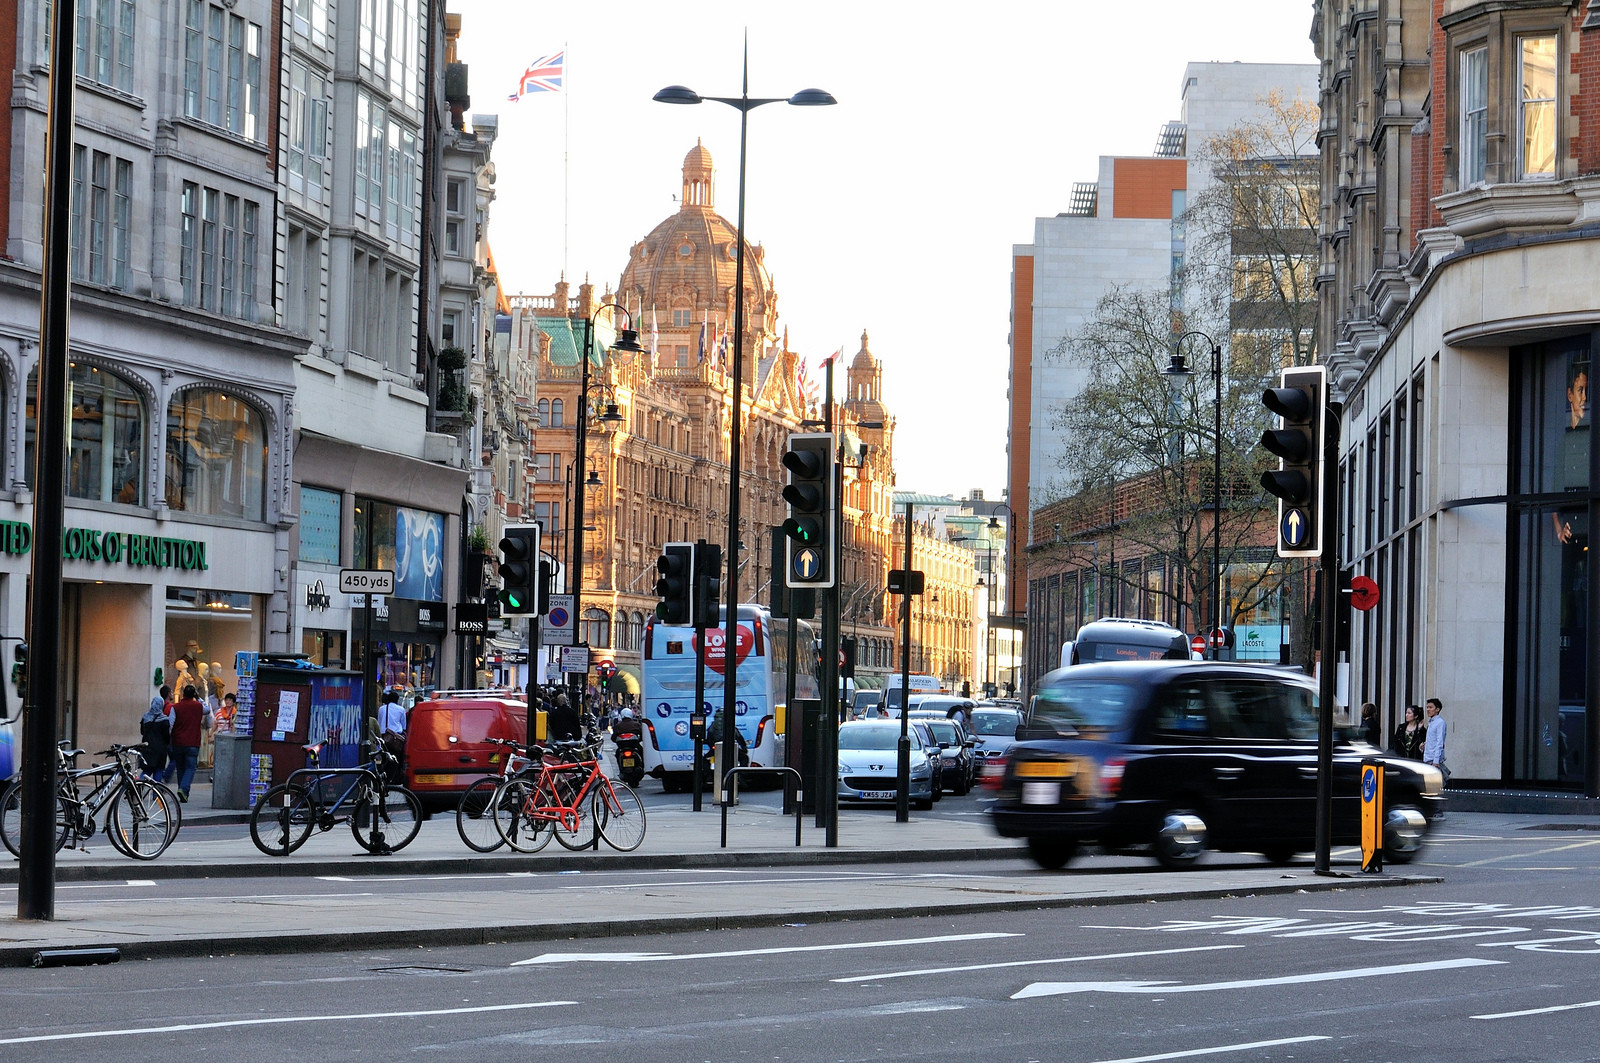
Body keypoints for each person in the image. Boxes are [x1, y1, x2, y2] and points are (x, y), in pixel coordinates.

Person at [167, 684, 207, 802]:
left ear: (183, 694)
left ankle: (183, 791)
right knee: (190, 768)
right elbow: (207, 709)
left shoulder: (176, 707)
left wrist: (168, 740)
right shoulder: (198, 706)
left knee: (180, 768)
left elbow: (170, 724)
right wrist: (199, 697)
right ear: (194, 694)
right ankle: (184, 789)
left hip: (178, 742)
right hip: (193, 742)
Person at [139, 684, 173, 780]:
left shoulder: (145, 717)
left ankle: (137, 788)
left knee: (147, 770)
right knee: (158, 771)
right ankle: (156, 794)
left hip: (147, 748)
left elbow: (142, 732)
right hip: (160, 749)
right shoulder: (164, 720)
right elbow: (167, 737)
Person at [1423, 697, 1448, 782]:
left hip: (1433, 759)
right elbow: (1432, 740)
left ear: (1437, 709)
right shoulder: (1431, 722)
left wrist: (1436, 761)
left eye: (1431, 707)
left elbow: (1440, 742)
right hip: (1427, 757)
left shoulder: (1440, 722)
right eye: (1427, 707)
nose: (1428, 709)